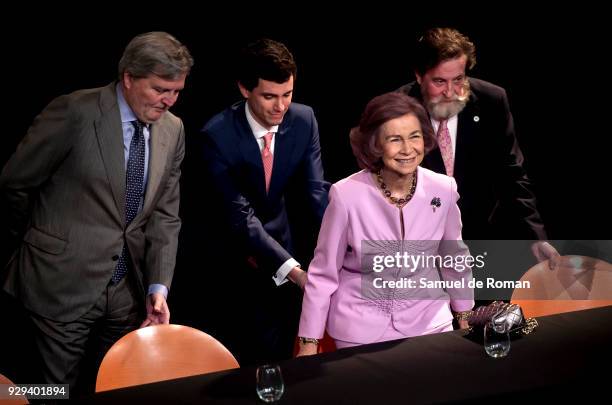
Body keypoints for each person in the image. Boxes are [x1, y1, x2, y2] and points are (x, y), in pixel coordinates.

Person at [0, 31, 193, 395]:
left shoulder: (174, 129)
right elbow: (15, 183)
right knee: (51, 393)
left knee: (116, 389)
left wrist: (158, 286)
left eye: (177, 91)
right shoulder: (75, 111)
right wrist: (38, 244)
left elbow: (166, 217)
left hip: (127, 293)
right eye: (159, 89)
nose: (169, 100)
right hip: (59, 283)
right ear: (129, 78)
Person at [296, 92, 474, 356]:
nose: (407, 149)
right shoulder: (346, 195)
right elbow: (323, 273)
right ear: (375, 145)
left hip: (430, 322)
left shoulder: (443, 188)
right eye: (395, 139)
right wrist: (308, 342)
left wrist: (464, 313)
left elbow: (454, 258)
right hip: (360, 328)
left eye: (415, 136)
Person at [201, 38, 329, 365]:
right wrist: (296, 272)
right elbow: (239, 216)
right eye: (270, 96)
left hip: (283, 248)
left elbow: (316, 192)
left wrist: (345, 241)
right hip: (232, 260)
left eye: (287, 95)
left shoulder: (304, 120)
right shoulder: (217, 134)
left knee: (284, 354)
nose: (281, 107)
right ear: (245, 89)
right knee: (241, 359)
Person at [398, 27, 546, 241]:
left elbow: (512, 176)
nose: (450, 92)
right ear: (419, 76)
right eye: (439, 81)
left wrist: (536, 239)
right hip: (417, 240)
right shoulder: (396, 110)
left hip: (482, 236)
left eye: (458, 79)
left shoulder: (491, 101)